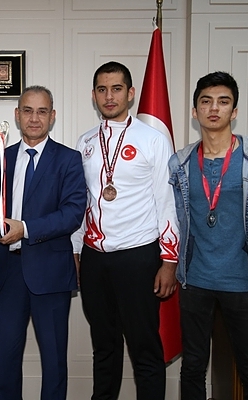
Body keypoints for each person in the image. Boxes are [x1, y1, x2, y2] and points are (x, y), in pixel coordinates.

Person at [168, 71, 248, 399]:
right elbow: (174, 219)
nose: (214, 108)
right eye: (206, 101)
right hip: (195, 281)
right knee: (193, 367)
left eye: (223, 102)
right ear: (195, 111)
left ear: (234, 111)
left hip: (243, 281)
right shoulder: (180, 163)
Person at [71, 61, 179, 400]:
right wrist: (76, 250)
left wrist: (169, 261)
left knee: (144, 348)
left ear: (130, 93)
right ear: (93, 95)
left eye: (116, 89)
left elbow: (167, 201)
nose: (109, 96)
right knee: (104, 347)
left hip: (138, 257)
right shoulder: (85, 141)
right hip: (95, 258)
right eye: (102, 90)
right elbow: (82, 201)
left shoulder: (153, 139)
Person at [0, 86, 86, 400]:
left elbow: (72, 213)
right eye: (28, 111)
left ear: (52, 116)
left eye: (41, 111)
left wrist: (26, 229)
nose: (34, 118)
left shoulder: (69, 160)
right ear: (17, 115)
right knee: (6, 360)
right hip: (8, 273)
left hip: (51, 273)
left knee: (54, 361)